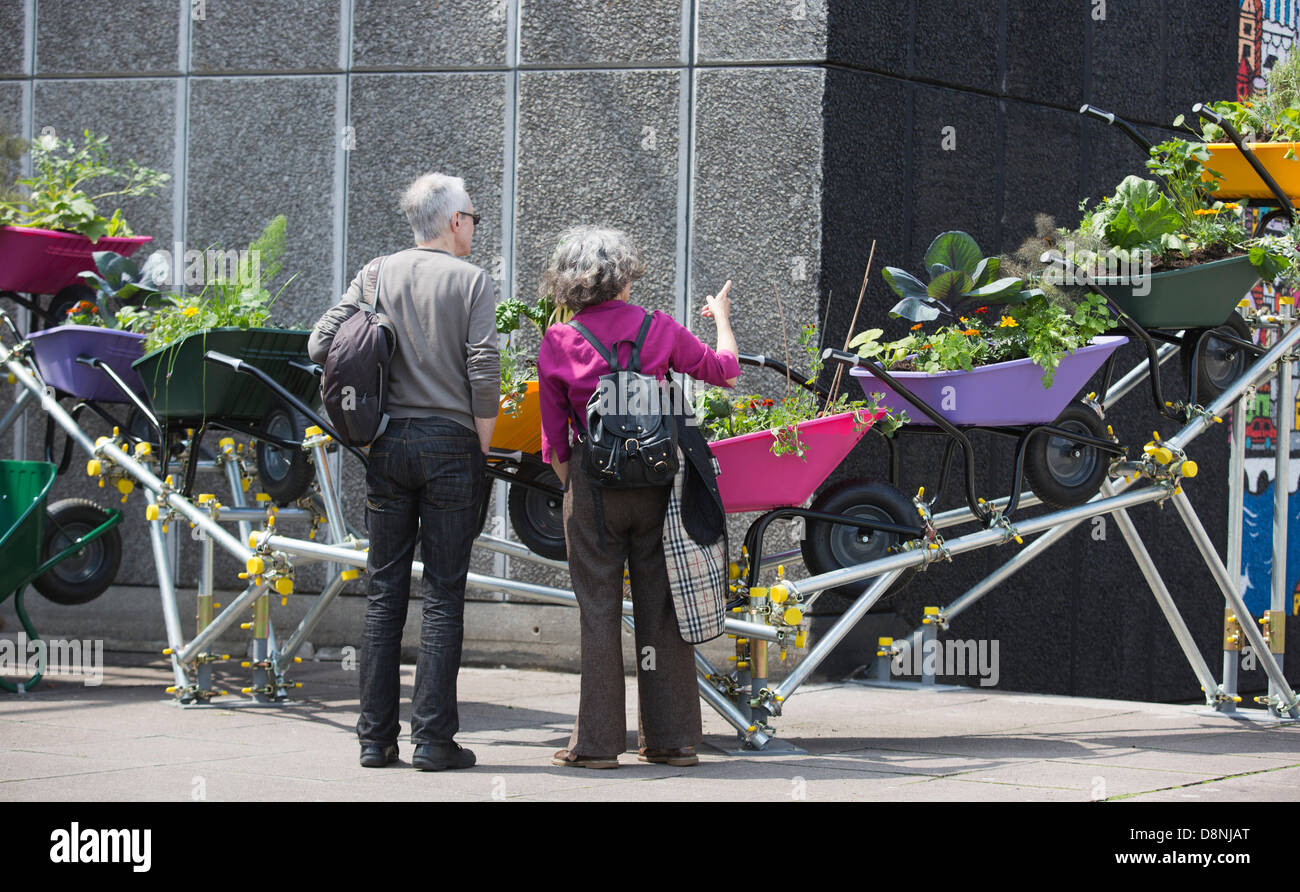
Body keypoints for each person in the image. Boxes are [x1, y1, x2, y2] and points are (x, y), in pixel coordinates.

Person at [308, 173, 498, 771]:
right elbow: (485, 370)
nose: (473, 225)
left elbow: (320, 343)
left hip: (387, 446)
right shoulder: (472, 281)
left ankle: (374, 740)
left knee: (385, 594)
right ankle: (434, 743)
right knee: (442, 594)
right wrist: (485, 449)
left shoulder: (377, 273)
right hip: (452, 446)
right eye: (471, 215)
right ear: (452, 221)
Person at [536, 225, 739, 769]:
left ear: (570, 284)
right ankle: (672, 740)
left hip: (593, 485)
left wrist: (576, 485)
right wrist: (719, 317)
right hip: (657, 484)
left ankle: (597, 746)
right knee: (663, 606)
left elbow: (553, 444)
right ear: (623, 277)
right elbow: (725, 372)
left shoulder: (558, 341)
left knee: (598, 609)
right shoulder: (659, 328)